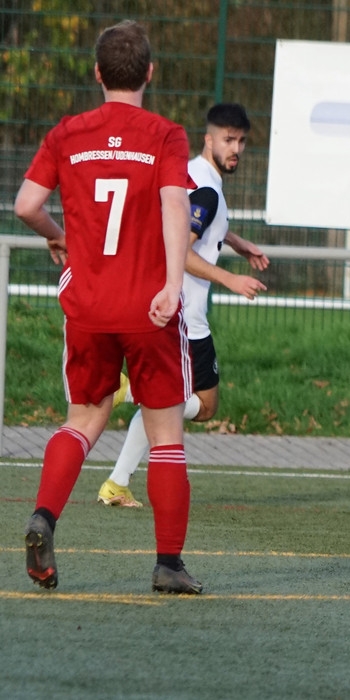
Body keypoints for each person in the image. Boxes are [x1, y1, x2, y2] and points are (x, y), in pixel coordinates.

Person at [13, 20, 203, 593]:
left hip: (89, 307)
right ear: (150, 72)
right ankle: (168, 565)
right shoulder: (165, 135)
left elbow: (26, 205)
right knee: (165, 433)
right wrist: (172, 284)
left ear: (97, 73)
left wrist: (59, 237)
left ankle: (43, 518)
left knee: (84, 420)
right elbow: (175, 205)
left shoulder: (68, 133)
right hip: (148, 307)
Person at [97, 103, 269, 508]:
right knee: (204, 406)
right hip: (186, 316)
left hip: (159, 304)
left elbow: (191, 222)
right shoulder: (208, 192)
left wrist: (235, 242)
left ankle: (117, 484)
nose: (236, 149)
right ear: (208, 139)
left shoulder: (187, 173)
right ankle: (128, 390)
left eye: (241, 141)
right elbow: (182, 248)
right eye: (228, 140)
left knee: (168, 400)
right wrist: (230, 279)